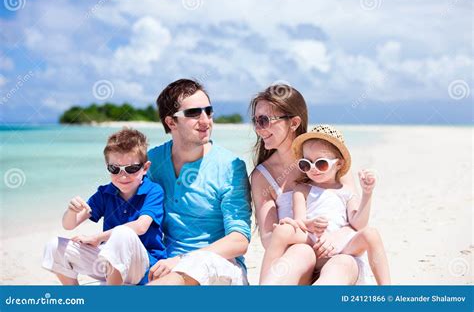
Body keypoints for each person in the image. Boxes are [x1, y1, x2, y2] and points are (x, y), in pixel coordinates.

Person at [250, 83, 364, 285]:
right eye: (256, 121)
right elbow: (269, 239)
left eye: (264, 120)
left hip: (338, 255)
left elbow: (357, 222)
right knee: (301, 252)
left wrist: (336, 238)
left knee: (342, 263)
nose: (259, 129)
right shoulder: (262, 176)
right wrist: (299, 232)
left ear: (293, 123)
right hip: (294, 266)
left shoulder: (330, 160)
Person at [146, 78, 252, 285]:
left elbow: (239, 240)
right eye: (193, 113)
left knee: (200, 262)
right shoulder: (154, 161)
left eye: (208, 111)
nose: (205, 120)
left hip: (220, 267)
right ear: (171, 122)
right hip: (165, 264)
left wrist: (183, 260)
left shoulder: (231, 166)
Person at [260, 124, 390, 284]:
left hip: (340, 247)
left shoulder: (346, 192)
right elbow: (300, 221)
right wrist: (308, 224)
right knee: (282, 231)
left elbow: (358, 224)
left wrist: (367, 194)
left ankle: (386, 290)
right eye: (306, 164)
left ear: (339, 164)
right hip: (311, 242)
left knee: (371, 234)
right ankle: (264, 285)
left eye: (321, 163)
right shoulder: (302, 189)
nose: (313, 169)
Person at [42, 128, 166, 285]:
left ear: (145, 168)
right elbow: (69, 225)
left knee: (123, 232)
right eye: (115, 169)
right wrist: (71, 211)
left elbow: (140, 226)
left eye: (131, 169)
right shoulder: (105, 193)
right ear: (108, 166)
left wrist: (97, 238)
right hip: (110, 266)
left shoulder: (153, 191)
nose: (123, 176)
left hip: (144, 267)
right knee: (55, 246)